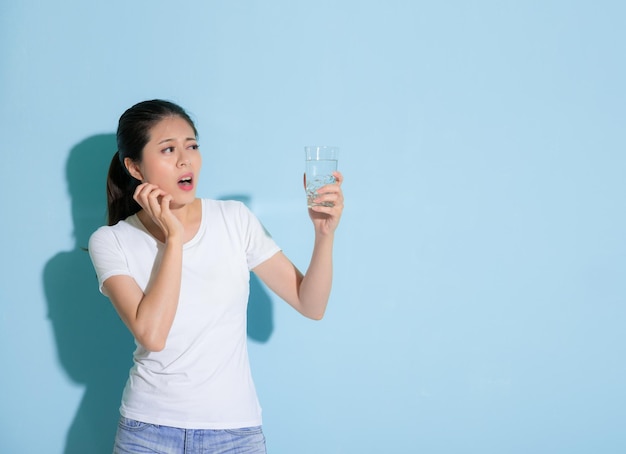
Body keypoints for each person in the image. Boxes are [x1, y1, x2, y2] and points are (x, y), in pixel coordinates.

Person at [88, 99, 344, 454]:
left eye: (192, 146)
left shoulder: (234, 219)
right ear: (134, 167)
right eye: (168, 149)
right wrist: (174, 238)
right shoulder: (112, 241)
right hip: (147, 432)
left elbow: (310, 304)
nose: (185, 160)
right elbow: (152, 334)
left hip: (235, 434)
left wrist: (324, 234)